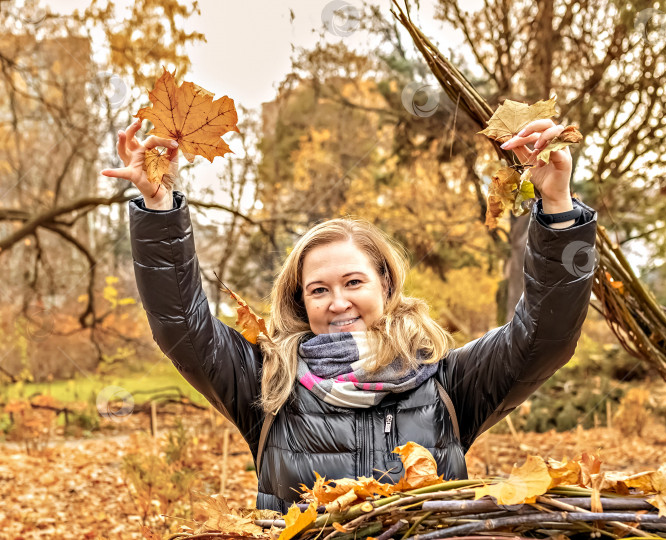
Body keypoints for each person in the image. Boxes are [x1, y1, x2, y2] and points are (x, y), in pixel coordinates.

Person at [101, 117, 597, 512]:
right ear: (301, 301)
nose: (337, 302)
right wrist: (159, 205)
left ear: (384, 283)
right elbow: (183, 325)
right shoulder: (270, 383)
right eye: (318, 289)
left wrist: (555, 206)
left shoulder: (445, 380)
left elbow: (544, 336)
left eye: (353, 282)